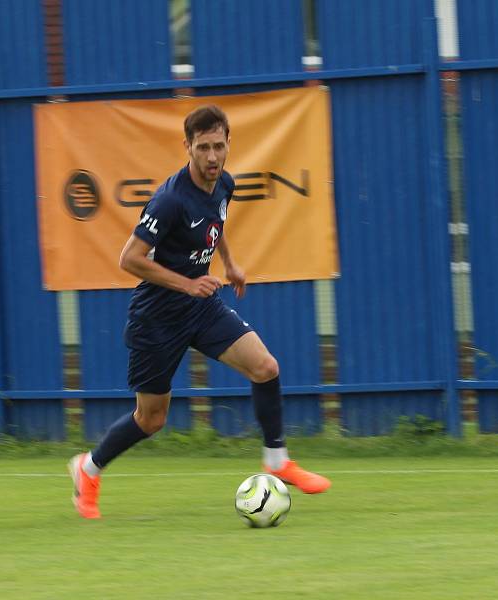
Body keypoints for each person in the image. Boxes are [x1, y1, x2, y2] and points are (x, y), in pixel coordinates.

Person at [68, 105, 330, 519]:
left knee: (265, 367)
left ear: (229, 145)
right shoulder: (169, 199)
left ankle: (278, 461)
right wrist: (188, 282)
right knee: (151, 419)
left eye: (219, 146)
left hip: (201, 307)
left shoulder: (223, 182)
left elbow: (216, 224)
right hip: (157, 316)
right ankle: (88, 468)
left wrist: (228, 263)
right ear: (187, 146)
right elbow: (129, 259)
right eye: (203, 148)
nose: (212, 156)